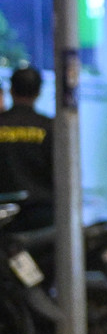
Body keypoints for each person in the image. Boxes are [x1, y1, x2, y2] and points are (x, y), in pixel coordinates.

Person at [0, 68, 54, 232]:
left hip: (4, 216)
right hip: (43, 215)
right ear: (38, 92)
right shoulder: (50, 127)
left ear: (11, 90)